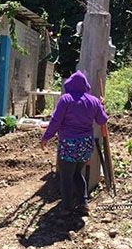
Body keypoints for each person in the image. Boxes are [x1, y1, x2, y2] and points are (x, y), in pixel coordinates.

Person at [40, 71, 108, 216]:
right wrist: (101, 106)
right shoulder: (94, 101)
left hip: (69, 144)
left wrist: (46, 136)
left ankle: (66, 206)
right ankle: (83, 203)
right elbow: (102, 120)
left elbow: (56, 121)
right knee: (77, 172)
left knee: (66, 175)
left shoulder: (66, 99)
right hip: (85, 145)